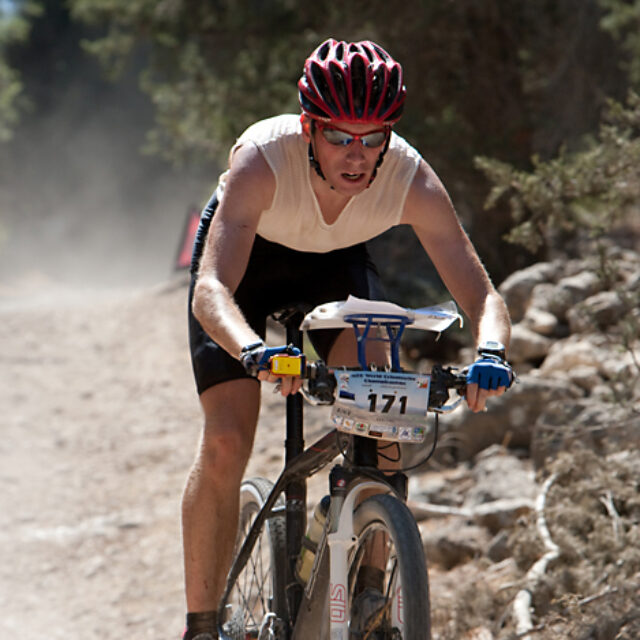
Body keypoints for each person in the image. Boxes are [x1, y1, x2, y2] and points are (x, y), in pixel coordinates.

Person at [182, 38, 513, 640]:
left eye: (373, 136)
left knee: (380, 410)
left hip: (334, 267)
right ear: (309, 127)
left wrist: (490, 353)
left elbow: (483, 297)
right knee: (228, 439)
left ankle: (370, 598)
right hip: (246, 271)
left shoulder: (410, 176)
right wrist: (256, 351)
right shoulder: (261, 159)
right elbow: (211, 291)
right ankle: (201, 626)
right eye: (339, 136)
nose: (357, 156)